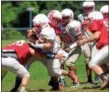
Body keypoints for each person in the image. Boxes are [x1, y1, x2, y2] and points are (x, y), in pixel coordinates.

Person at [77, 11, 109, 89]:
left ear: (94, 18)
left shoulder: (97, 21)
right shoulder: (105, 22)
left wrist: (83, 41)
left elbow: (96, 36)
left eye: (89, 19)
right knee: (102, 64)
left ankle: (106, 79)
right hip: (106, 46)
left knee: (92, 64)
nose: (88, 21)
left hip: (106, 47)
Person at [78, 1, 100, 84]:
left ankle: (97, 76)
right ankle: (89, 79)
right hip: (86, 40)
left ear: (93, 7)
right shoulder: (80, 16)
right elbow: (80, 28)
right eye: (85, 8)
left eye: (89, 8)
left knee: (96, 58)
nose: (87, 10)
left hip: (95, 39)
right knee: (87, 60)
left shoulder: (97, 15)